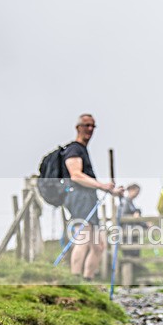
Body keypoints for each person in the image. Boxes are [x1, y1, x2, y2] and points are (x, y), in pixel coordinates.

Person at [63, 113, 124, 281]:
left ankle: (87, 281)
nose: (90, 129)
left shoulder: (82, 150)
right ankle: (75, 280)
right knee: (82, 238)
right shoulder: (74, 149)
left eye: (92, 126)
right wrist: (103, 186)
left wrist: (110, 191)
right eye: (86, 125)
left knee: (98, 246)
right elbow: (76, 175)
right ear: (78, 127)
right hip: (79, 198)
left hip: (89, 199)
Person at [118, 183, 143, 258]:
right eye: (136, 192)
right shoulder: (125, 202)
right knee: (129, 254)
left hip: (132, 231)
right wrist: (133, 216)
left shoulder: (130, 202)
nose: (137, 194)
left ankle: (135, 268)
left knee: (135, 253)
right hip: (127, 232)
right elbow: (122, 216)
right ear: (131, 190)